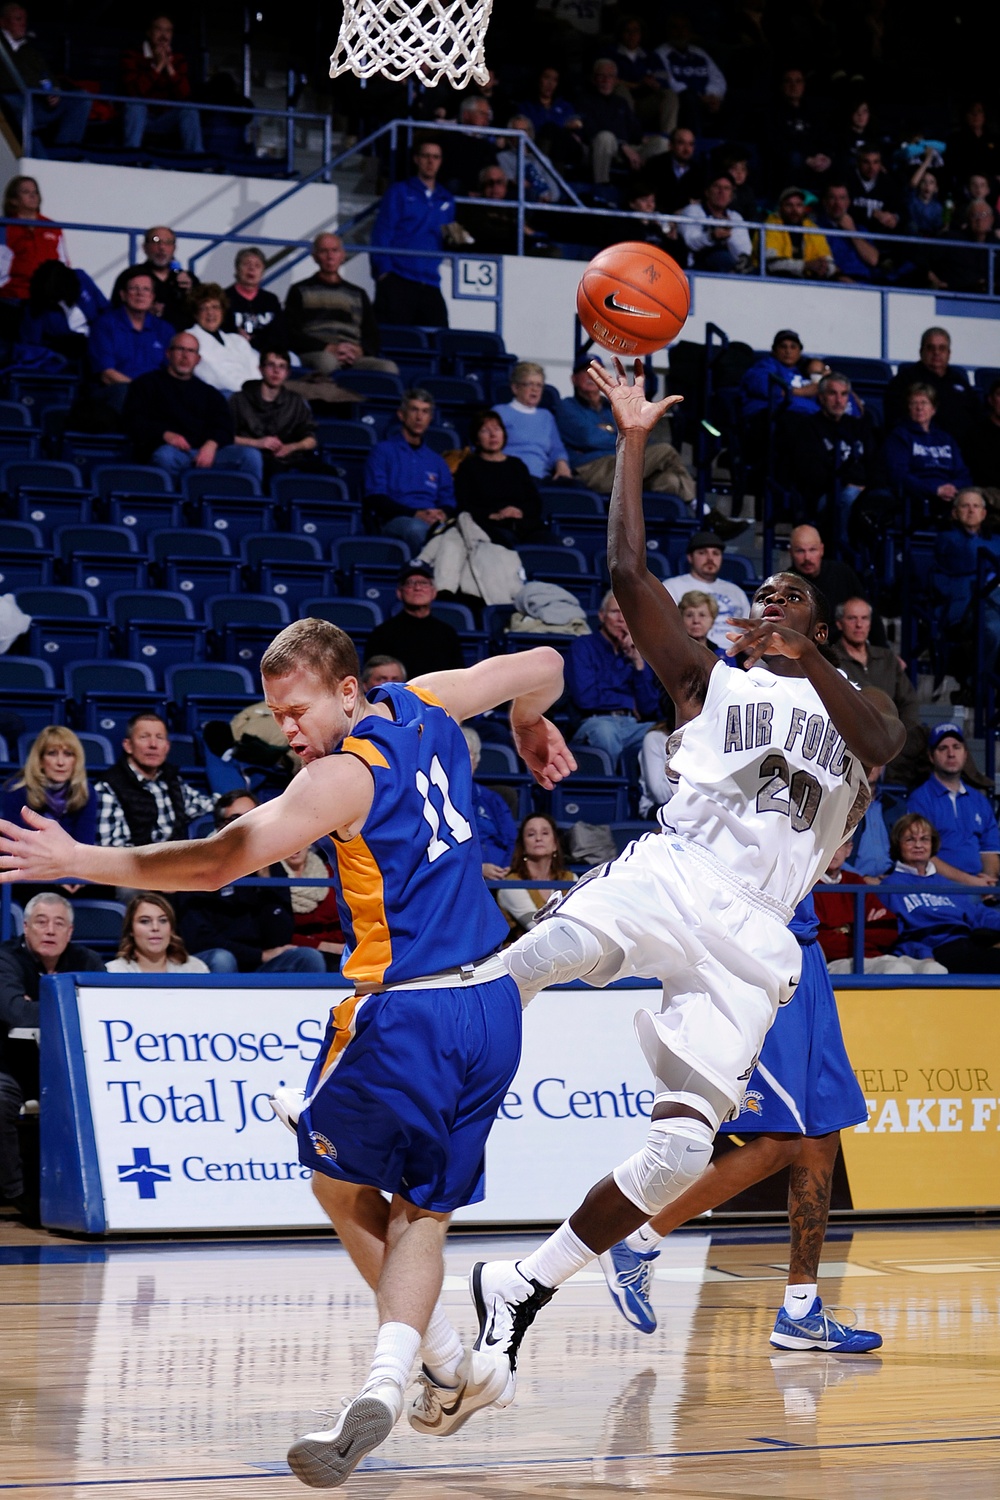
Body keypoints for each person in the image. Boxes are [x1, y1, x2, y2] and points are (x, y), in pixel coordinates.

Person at [0, 619, 574, 1483]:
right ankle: (447, 1371)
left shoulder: (342, 779)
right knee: (416, 1208)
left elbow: (216, 864)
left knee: (335, 1182)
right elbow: (547, 662)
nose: (289, 731)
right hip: (494, 1006)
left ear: (348, 692)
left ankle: (409, 1373)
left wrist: (82, 856)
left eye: (298, 710)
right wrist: (530, 720)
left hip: (409, 1010)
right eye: (275, 716)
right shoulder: (431, 701)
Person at [465, 356, 903, 1397]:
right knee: (529, 964)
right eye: (765, 592)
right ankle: (400, 1067)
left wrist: (812, 662)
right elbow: (626, 578)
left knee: (677, 1153)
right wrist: (625, 443)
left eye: (794, 592)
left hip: (757, 940)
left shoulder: (850, 708)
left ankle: (522, 1285)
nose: (774, 599)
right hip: (677, 873)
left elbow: (884, 739)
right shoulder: (710, 677)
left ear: (817, 618)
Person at [598, 891, 881, 1349]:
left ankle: (800, 1309)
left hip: (808, 959)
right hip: (755, 956)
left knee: (821, 1134)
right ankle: (638, 1239)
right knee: (780, 1140)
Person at [0, 893, 104, 1221]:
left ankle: (100, 1193)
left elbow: (102, 1013)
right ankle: (18, 1193)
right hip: (13, 1064)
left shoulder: (87, 961)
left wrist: (37, 1004)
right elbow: (15, 1012)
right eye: (42, 922)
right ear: (26, 927)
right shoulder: (5, 960)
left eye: (59, 924)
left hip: (70, 1067)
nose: (50, 930)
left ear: (70, 932)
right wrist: (66, 1006)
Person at [176, 792, 325, 974]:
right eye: (236, 818)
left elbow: (281, 934)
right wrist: (257, 956)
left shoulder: (271, 865)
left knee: (308, 958)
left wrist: (265, 881)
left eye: (253, 816)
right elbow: (199, 938)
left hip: (261, 962)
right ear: (220, 825)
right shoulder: (198, 865)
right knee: (223, 959)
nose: (245, 824)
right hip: (217, 958)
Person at [122, 329, 262, 481]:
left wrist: (211, 445)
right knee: (166, 456)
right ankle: (175, 503)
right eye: (180, 349)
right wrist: (165, 434)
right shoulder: (146, 384)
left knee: (250, 456)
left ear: (198, 359)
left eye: (191, 351)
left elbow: (224, 427)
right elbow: (134, 420)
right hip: (167, 450)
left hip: (206, 451)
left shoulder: (209, 392)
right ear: (168, 353)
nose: (185, 356)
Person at [556, 356, 695, 500]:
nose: (592, 376)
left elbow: (642, 437)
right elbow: (588, 438)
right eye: (586, 372)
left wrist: (613, 434)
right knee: (665, 451)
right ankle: (698, 506)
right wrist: (623, 435)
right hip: (593, 469)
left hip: (623, 464)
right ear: (574, 379)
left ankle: (661, 517)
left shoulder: (614, 407)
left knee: (670, 481)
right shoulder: (566, 407)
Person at [882, 814, 1000, 974]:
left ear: (932, 844)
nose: (918, 845)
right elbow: (896, 936)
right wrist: (923, 953)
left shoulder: (944, 883)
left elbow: (978, 914)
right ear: (898, 844)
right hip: (932, 951)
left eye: (924, 839)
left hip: (967, 943)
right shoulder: (890, 886)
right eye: (910, 839)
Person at [826, 598, 923, 781]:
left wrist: (893, 747)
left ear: (871, 623)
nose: (859, 625)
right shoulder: (831, 660)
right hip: (850, 747)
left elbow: (909, 704)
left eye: (864, 618)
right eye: (852, 618)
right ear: (839, 623)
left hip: (893, 749)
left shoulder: (887, 659)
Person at [815, 837, 944, 975]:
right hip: (837, 962)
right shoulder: (809, 886)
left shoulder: (855, 881)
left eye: (840, 845)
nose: (834, 851)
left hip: (876, 957)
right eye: (830, 844)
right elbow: (823, 942)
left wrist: (848, 929)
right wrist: (863, 931)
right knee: (897, 970)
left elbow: (889, 930)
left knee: (935, 969)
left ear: (848, 850)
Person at [566, 590, 661, 769]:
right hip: (594, 722)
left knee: (663, 734)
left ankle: (657, 794)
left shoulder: (637, 651)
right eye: (615, 612)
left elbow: (648, 707)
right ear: (601, 616)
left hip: (631, 725)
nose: (621, 619)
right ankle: (616, 789)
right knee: (605, 732)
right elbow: (586, 699)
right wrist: (627, 700)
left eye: (626, 613)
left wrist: (638, 664)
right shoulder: (583, 646)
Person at [94, 712, 213, 849]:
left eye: (159, 738)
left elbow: (205, 804)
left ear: (167, 747)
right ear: (128, 746)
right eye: (144, 737)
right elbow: (111, 852)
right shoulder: (107, 788)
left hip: (175, 864)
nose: (153, 744)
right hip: (136, 867)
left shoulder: (172, 780)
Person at [371, 136, 455, 328]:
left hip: (430, 282)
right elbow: (382, 232)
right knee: (395, 339)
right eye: (426, 156)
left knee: (438, 339)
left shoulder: (447, 198)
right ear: (416, 159)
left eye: (435, 157)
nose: (430, 161)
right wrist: (384, 271)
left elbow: (448, 237)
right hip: (399, 278)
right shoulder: (399, 191)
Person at [779, 373, 871, 547]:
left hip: (861, 489)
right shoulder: (807, 428)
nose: (838, 400)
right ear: (821, 397)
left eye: (844, 394)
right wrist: (849, 482)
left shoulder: (859, 426)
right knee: (849, 497)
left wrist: (863, 485)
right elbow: (811, 473)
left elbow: (874, 462)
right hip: (825, 494)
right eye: (832, 394)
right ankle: (844, 548)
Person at [285, 233, 397, 375]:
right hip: (318, 353)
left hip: (352, 355)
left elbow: (372, 335)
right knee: (327, 362)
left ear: (343, 255)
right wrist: (327, 347)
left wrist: (359, 350)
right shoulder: (299, 290)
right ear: (314, 256)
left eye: (335, 250)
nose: (330, 256)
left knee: (388, 368)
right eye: (324, 251)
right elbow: (291, 332)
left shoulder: (358, 294)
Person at [907, 724, 1000, 888]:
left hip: (979, 887)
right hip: (940, 886)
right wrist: (972, 883)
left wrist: (989, 883)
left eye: (956, 747)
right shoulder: (920, 800)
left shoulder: (979, 800)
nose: (951, 754)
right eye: (943, 748)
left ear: (965, 754)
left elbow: (989, 851)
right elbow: (923, 857)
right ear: (931, 757)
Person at [363, 388, 456, 552]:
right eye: (414, 410)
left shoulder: (436, 460)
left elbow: (447, 499)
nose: (419, 417)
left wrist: (442, 513)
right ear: (401, 415)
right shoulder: (383, 451)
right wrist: (416, 513)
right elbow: (376, 497)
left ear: (430, 418)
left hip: (434, 520)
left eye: (425, 412)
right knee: (417, 530)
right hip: (398, 519)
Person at [0, 4, 90, 157]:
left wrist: (54, 91)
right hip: (10, 102)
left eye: (25, 20)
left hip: (38, 101)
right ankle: (40, 158)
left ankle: (64, 155)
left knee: (81, 98)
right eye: (18, 19)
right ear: (3, 22)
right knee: (21, 106)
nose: (23, 23)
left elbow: (48, 77)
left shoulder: (30, 49)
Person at [932, 488, 1000, 676]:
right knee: (994, 631)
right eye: (965, 506)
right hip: (966, 605)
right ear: (955, 513)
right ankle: (977, 684)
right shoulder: (947, 539)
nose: (971, 511)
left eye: (976, 506)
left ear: (984, 513)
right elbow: (969, 557)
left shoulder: (996, 541)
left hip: (995, 601)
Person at [453, 410, 545, 547]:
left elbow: (534, 502)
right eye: (485, 431)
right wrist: (493, 515)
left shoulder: (517, 465)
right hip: (489, 526)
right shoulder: (469, 467)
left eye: (497, 429)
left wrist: (518, 511)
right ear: (477, 439)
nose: (493, 435)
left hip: (522, 524)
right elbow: (464, 505)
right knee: (505, 542)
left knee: (550, 541)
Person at [89, 268, 172, 416]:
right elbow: (107, 375)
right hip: (118, 393)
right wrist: (142, 391)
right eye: (134, 288)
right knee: (125, 393)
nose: (140, 293)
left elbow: (172, 371)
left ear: (152, 297)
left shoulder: (164, 329)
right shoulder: (105, 324)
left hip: (156, 396)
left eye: (146, 289)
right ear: (123, 295)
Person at [787, 525, 887, 646]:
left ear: (822, 550)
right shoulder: (785, 583)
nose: (807, 557)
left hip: (843, 651)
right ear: (791, 553)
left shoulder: (841, 572)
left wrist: (884, 653)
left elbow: (869, 613)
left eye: (812, 550)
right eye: (800, 551)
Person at [883, 384, 972, 519]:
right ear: (909, 408)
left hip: (951, 494)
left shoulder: (946, 438)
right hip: (917, 494)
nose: (919, 408)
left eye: (924, 403)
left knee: (975, 502)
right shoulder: (900, 436)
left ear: (933, 409)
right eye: (914, 403)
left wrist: (953, 488)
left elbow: (963, 474)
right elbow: (899, 475)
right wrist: (935, 489)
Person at [364, 560, 464, 680]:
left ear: (433, 592)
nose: (417, 588)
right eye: (410, 583)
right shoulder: (382, 634)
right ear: (399, 593)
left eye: (423, 583)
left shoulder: (447, 633)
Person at [121, 14, 204, 156]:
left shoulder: (178, 59)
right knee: (135, 106)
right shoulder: (132, 55)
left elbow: (184, 94)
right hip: (140, 116)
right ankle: (130, 157)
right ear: (149, 32)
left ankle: (196, 159)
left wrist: (170, 68)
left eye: (168, 31)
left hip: (166, 118)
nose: (164, 35)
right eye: (159, 30)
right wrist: (157, 67)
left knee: (189, 110)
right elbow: (135, 91)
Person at [2, 724, 96, 846]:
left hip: (70, 863)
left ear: (76, 760)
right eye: (52, 753)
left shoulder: (86, 792)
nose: (60, 762)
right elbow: (12, 845)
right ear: (40, 760)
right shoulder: (16, 791)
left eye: (68, 754)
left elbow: (85, 846)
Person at [883, 327, 979, 446]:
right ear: (921, 351)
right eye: (930, 348)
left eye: (942, 348)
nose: (936, 353)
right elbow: (895, 419)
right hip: (919, 447)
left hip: (960, 450)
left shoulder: (960, 381)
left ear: (949, 353)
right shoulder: (904, 380)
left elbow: (976, 417)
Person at [229, 348, 318, 476]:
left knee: (328, 472)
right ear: (261, 369)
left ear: (287, 373)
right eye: (271, 365)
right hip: (255, 457)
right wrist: (257, 443)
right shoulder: (239, 399)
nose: (276, 371)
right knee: (274, 469)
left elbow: (311, 439)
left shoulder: (295, 401)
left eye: (282, 367)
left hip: (288, 458)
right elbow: (225, 436)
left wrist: (291, 447)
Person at [578, 58, 666, 185]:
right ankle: (601, 188)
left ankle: (647, 192)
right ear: (594, 79)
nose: (606, 80)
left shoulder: (620, 102)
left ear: (615, 80)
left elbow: (634, 130)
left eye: (610, 76)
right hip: (601, 149)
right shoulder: (584, 100)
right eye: (601, 76)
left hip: (626, 149)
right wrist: (621, 145)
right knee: (605, 137)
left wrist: (641, 139)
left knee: (662, 143)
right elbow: (589, 131)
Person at [664, 532, 751, 651]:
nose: (710, 558)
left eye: (715, 553)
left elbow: (748, 633)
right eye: (702, 553)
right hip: (687, 652)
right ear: (690, 557)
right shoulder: (671, 586)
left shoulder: (736, 591)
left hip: (733, 657)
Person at [497, 813, 575, 932]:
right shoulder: (512, 884)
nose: (538, 838)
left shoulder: (570, 878)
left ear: (555, 844)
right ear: (522, 846)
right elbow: (538, 929)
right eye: (531, 834)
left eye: (545, 833)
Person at [493, 362, 571, 481]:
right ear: (515, 388)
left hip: (541, 478)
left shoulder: (546, 416)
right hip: (507, 476)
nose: (535, 389)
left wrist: (562, 464)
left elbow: (557, 449)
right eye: (529, 384)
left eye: (539, 385)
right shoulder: (499, 412)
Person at [19, 260, 108, 359]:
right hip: (68, 353)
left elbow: (105, 308)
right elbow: (31, 344)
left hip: (99, 341)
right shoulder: (37, 305)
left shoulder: (80, 278)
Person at [0, 175, 67, 304]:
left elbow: (63, 262)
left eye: (35, 192)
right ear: (13, 200)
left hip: (48, 297)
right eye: (26, 192)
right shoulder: (5, 228)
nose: (33, 196)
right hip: (13, 297)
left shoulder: (53, 227)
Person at [106, 892, 209, 974]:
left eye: (163, 920)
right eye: (145, 921)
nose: (155, 928)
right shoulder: (114, 971)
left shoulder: (195, 969)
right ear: (131, 930)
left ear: (171, 928)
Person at [462, 725, 517, 879]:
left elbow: (510, 839)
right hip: (459, 878)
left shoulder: (492, 800)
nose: (462, 761)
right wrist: (476, 869)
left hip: (500, 879)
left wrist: (505, 867)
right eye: (456, 754)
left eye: (468, 754)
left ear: (476, 762)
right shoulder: (433, 798)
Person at [653, 16, 725, 132]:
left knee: (737, 101)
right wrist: (700, 97)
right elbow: (666, 81)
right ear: (668, 31)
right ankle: (695, 143)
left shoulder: (699, 52)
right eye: (675, 28)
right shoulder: (659, 53)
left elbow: (717, 77)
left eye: (684, 27)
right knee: (689, 98)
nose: (680, 32)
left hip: (707, 98)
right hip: (683, 100)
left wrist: (713, 95)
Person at [187, 283, 261, 396]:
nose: (210, 313)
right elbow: (212, 376)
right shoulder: (190, 339)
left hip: (255, 396)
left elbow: (257, 368)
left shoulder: (237, 340)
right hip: (226, 397)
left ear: (222, 311)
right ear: (196, 314)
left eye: (215, 307)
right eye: (204, 308)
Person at [279, 843, 345, 966]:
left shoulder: (331, 873)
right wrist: (321, 945)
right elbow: (277, 933)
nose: (295, 850)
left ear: (309, 844)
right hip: (300, 952)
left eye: (300, 842)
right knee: (312, 959)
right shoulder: (272, 878)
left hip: (340, 947)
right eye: (289, 844)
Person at [123, 224, 199, 331]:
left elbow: (201, 312)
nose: (162, 247)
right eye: (155, 241)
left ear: (174, 248)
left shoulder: (187, 279)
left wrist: (190, 292)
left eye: (168, 242)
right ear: (145, 247)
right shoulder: (132, 275)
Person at [677, 173, 753, 273]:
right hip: (696, 269)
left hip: (728, 268)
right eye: (717, 187)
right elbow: (691, 242)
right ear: (707, 192)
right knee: (721, 258)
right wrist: (712, 236)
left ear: (731, 195)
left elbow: (744, 251)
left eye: (726, 188)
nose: (721, 192)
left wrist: (729, 236)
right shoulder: (692, 211)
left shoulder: (735, 217)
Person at [740, 330, 822, 422]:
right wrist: (802, 391)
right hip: (773, 417)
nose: (788, 351)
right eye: (783, 347)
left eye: (793, 347)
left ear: (799, 352)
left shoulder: (802, 372)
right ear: (774, 351)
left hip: (808, 417)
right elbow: (764, 388)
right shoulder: (766, 365)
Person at [763, 187, 836, 279]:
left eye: (799, 205)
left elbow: (830, 263)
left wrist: (825, 268)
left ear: (804, 208)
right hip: (774, 281)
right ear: (780, 208)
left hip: (807, 281)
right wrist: (806, 265)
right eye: (789, 205)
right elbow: (772, 265)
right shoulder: (770, 226)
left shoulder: (812, 228)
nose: (794, 210)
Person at [815, 182, 880, 283]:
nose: (837, 203)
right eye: (832, 198)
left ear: (848, 202)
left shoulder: (860, 229)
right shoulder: (816, 229)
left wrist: (852, 232)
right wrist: (839, 277)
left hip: (864, 285)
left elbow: (873, 260)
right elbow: (819, 261)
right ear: (824, 202)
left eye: (842, 198)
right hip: (833, 282)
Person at [222, 246, 284, 351]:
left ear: (262, 272)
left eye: (257, 265)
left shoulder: (271, 300)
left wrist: (255, 342)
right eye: (246, 264)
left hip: (266, 352)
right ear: (237, 269)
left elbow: (280, 333)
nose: (252, 269)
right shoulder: (224, 297)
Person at [646, 125, 705, 215]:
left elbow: (699, 200)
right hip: (658, 216)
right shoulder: (655, 165)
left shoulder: (699, 170)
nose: (687, 149)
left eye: (691, 144)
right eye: (681, 143)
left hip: (686, 217)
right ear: (671, 145)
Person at [845, 146, 901, 235]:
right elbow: (841, 209)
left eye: (876, 162)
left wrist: (894, 218)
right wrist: (871, 213)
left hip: (880, 235)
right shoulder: (846, 179)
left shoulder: (888, 182)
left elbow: (901, 209)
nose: (871, 167)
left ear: (880, 164)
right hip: (851, 232)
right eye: (866, 162)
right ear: (858, 163)